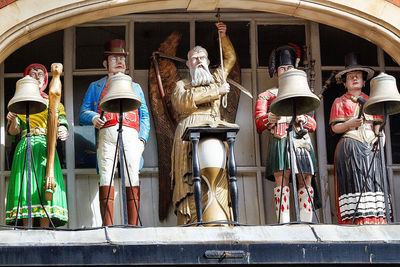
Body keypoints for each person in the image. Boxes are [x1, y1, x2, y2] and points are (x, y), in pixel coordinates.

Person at [171, 22, 237, 225]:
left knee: (219, 177)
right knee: (188, 181)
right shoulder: (181, 85)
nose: (198, 61)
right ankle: (189, 220)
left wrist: (223, 37)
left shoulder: (216, 78)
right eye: (194, 59)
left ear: (208, 61)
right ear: (188, 64)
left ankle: (219, 218)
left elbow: (230, 58)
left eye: (202, 58)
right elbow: (182, 103)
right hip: (186, 135)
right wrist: (215, 92)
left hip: (214, 130)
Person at [79, 39, 150, 226]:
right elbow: (83, 112)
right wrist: (94, 117)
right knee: (106, 175)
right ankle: (107, 224)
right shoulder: (96, 87)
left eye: (122, 59)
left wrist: (141, 139)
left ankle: (133, 224)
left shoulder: (135, 88)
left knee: (132, 175)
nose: (120, 62)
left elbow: (144, 116)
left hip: (130, 135)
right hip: (106, 135)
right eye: (114, 58)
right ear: (105, 63)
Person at [254, 45, 318, 223]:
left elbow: (313, 125)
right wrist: (271, 117)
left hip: (301, 138)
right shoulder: (267, 96)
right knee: (282, 178)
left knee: (305, 177)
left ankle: (306, 220)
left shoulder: (304, 94)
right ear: (276, 72)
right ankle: (283, 220)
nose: (287, 71)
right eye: (283, 68)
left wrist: (303, 119)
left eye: (290, 68)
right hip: (280, 137)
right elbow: (259, 123)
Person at [6, 63, 69, 227]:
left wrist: (62, 129)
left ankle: (44, 227)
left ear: (45, 80)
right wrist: (13, 119)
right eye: (32, 73)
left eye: (40, 73)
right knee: (27, 185)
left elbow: (60, 121)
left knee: (45, 185)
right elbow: (14, 131)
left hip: (46, 147)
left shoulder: (53, 102)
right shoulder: (20, 103)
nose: (37, 75)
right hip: (26, 144)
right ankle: (27, 225)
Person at [330, 52, 388, 225]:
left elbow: (377, 123)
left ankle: (375, 218)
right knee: (355, 180)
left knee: (373, 180)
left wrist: (379, 135)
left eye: (358, 76)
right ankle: (356, 219)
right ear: (345, 83)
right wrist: (349, 124)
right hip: (351, 145)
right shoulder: (340, 102)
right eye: (350, 77)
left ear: (364, 81)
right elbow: (335, 128)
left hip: (370, 145)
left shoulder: (372, 101)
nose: (355, 79)